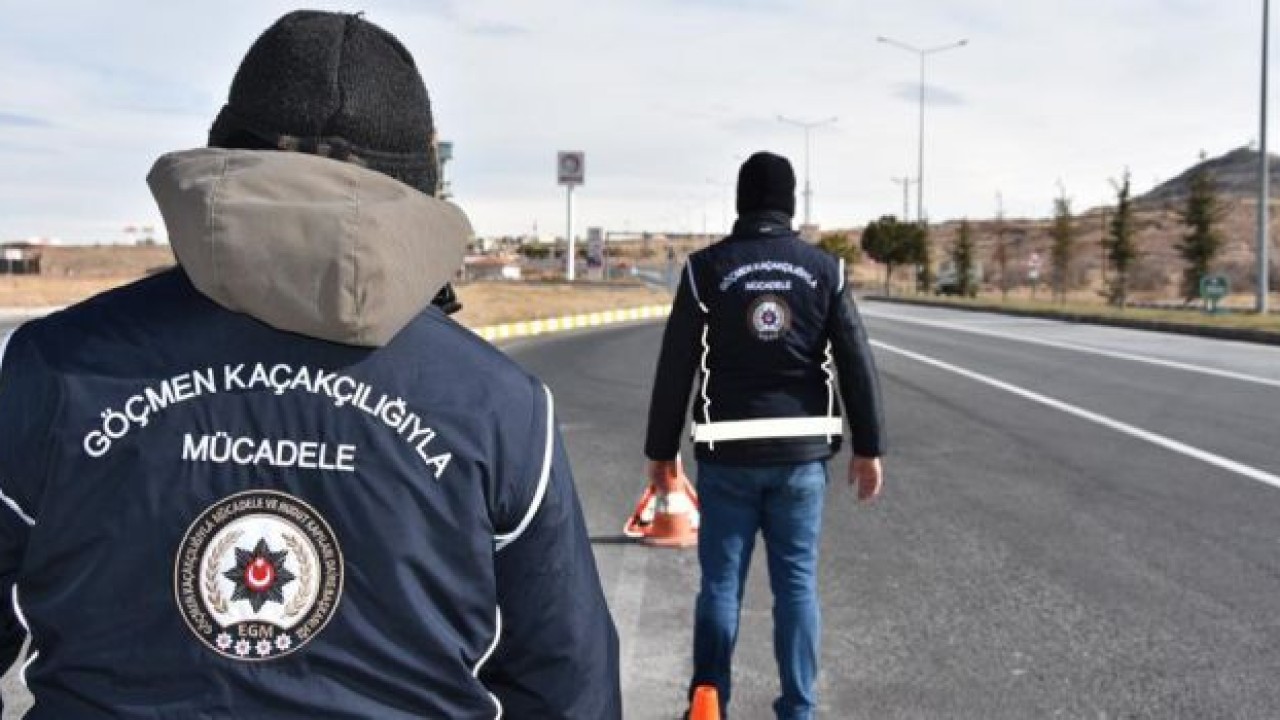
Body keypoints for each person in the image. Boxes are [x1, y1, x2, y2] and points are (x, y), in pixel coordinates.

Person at [0, 11, 620, 718]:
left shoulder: (58, 366)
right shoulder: (499, 407)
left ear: (224, 149)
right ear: (419, 181)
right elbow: (568, 685)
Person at [644, 152, 885, 719]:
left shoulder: (705, 269)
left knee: (720, 586)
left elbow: (676, 364)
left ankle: (708, 702)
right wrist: (869, 446)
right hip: (801, 457)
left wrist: (661, 451)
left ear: (740, 201)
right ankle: (798, 710)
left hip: (727, 457)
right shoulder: (825, 270)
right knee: (796, 586)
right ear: (790, 204)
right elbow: (856, 359)